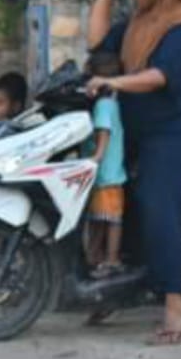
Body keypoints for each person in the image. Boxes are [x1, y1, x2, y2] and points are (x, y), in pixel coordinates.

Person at [87, 0, 181, 345]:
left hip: (175, 133)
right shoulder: (140, 22)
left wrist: (114, 82)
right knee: (116, 203)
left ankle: (176, 308)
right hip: (137, 130)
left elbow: (160, 76)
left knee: (158, 206)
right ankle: (116, 290)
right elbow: (98, 43)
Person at [83, 51, 127, 277]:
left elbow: (104, 132)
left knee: (109, 219)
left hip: (106, 174)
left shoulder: (103, 106)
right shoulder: (111, 103)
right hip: (109, 173)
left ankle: (111, 259)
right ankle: (96, 258)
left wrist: (96, 157)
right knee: (101, 217)